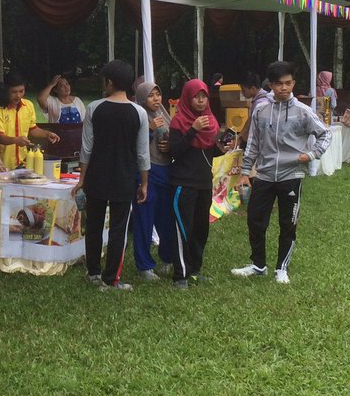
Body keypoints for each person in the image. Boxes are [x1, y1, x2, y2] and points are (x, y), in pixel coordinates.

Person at [231, 60, 331, 285]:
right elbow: (254, 144)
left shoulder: (303, 112)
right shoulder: (260, 111)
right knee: (255, 221)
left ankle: (281, 268)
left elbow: (325, 134)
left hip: (291, 176)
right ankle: (258, 265)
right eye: (279, 84)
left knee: (288, 223)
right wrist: (246, 172)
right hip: (264, 175)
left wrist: (312, 154)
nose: (284, 88)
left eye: (288, 83)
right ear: (271, 85)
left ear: (293, 83)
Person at [75, 59, 149, 291]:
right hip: (124, 179)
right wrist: (144, 183)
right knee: (118, 229)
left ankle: (94, 272)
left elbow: (86, 148)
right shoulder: (139, 113)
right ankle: (110, 279)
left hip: (96, 176)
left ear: (109, 82)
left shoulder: (94, 108)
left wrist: (81, 179)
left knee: (94, 226)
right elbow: (142, 153)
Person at [169, 79, 221, 290]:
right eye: (196, 97)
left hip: (203, 183)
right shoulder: (179, 121)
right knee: (183, 229)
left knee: (201, 229)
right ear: (187, 98)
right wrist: (192, 130)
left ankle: (195, 270)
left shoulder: (210, 121)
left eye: (204, 96)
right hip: (183, 183)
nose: (200, 101)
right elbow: (174, 151)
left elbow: (207, 152)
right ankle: (180, 274)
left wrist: (222, 147)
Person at [131, 81, 174, 282]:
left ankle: (167, 258)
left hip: (166, 171)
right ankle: (144, 265)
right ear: (141, 98)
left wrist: (170, 146)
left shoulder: (164, 114)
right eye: (151, 95)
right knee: (144, 219)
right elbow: (133, 146)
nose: (156, 99)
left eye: (158, 94)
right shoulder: (137, 116)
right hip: (146, 173)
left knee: (166, 219)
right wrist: (148, 129)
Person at [0, 72, 60, 170]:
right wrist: (16, 140)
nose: (18, 95)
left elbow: (33, 129)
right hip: (2, 164)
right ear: (6, 90)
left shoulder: (28, 105)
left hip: (23, 162)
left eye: (21, 91)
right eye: (14, 92)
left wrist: (47, 134)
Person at [238, 72, 270, 146]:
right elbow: (250, 119)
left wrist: (242, 137)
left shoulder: (261, 103)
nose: (242, 93)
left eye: (244, 90)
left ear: (252, 88)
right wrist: (240, 135)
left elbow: (253, 124)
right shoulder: (258, 99)